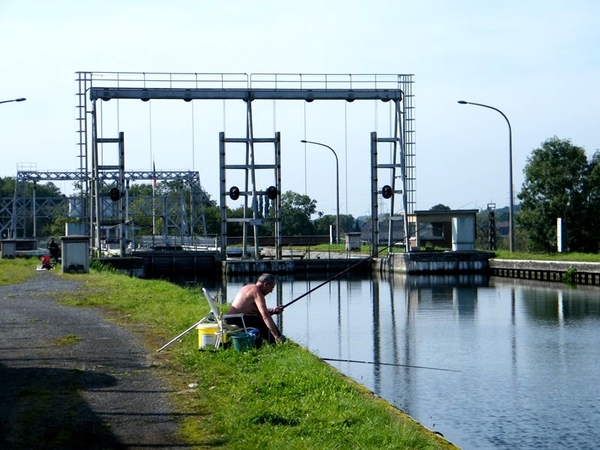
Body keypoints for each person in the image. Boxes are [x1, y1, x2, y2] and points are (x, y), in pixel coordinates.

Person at [225, 273, 286, 347]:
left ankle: (273, 341)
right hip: (238, 319)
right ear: (266, 284)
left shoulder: (248, 287)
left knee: (259, 319)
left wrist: (273, 310)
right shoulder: (257, 293)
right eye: (271, 287)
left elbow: (254, 309)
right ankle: (276, 341)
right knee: (262, 321)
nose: (271, 291)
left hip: (232, 318)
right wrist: (276, 335)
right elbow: (265, 315)